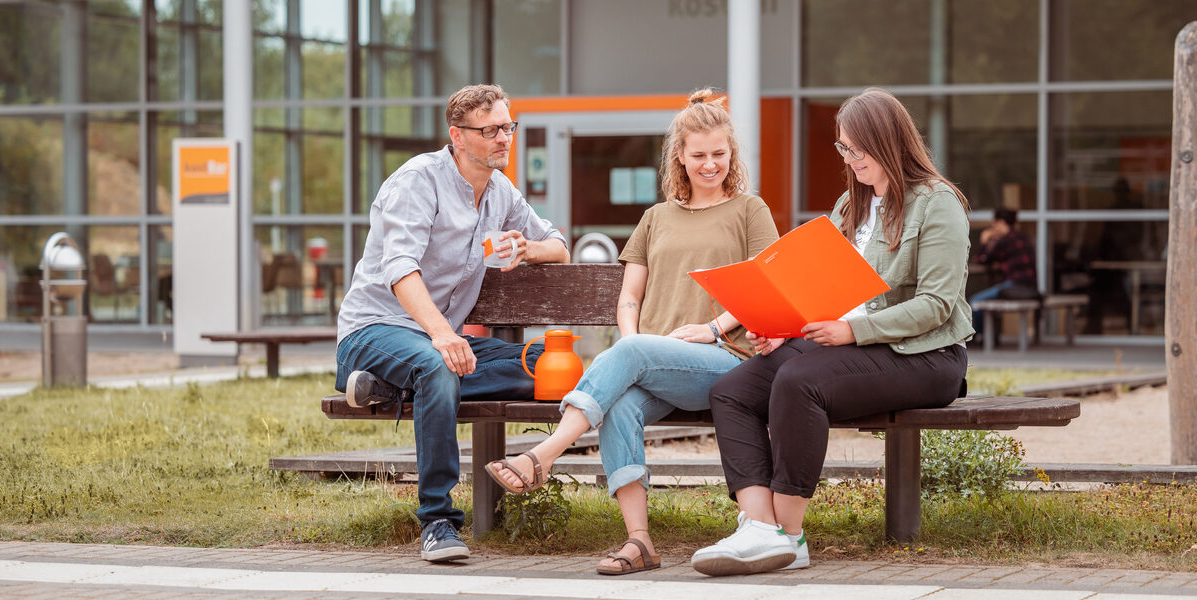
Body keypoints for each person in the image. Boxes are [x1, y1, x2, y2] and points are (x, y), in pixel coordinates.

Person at [484, 89, 779, 576]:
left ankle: (546, 452)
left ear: (732, 154)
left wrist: (711, 328)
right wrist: (634, 343)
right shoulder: (655, 218)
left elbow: (764, 284)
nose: (710, 165)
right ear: (679, 157)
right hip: (656, 362)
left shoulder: (750, 210)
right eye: (699, 155)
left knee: (635, 353)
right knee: (619, 402)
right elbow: (629, 299)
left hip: (728, 360)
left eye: (719, 154)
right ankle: (639, 541)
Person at [691, 87, 972, 577]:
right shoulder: (851, 204)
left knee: (800, 382)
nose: (849, 159)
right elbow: (830, 287)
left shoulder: (937, 203)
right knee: (732, 390)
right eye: (843, 148)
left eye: (857, 149)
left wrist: (852, 330)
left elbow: (935, 305)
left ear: (888, 142)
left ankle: (790, 537)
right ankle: (759, 528)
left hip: (926, 355)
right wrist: (785, 325)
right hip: (852, 341)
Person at [334, 84, 569, 563]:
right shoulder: (417, 181)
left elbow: (559, 245)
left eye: (508, 126)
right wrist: (442, 334)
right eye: (491, 130)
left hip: (436, 339)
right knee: (437, 367)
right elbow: (400, 269)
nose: (504, 138)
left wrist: (526, 249)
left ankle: (391, 388)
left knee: (548, 362)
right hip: (375, 328)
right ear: (458, 137)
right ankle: (438, 520)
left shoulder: (501, 192)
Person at [969, 207, 1038, 341]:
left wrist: (984, 240)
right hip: (1029, 286)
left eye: (994, 224)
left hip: (1014, 285)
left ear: (1000, 223)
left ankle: (983, 337)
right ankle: (988, 336)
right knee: (986, 301)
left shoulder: (1005, 241)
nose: (993, 228)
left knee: (975, 302)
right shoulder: (1022, 238)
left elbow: (982, 259)